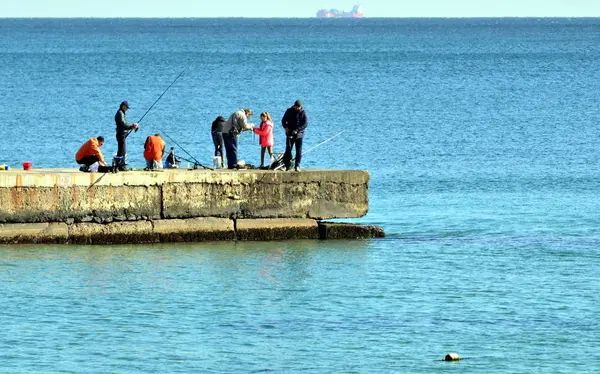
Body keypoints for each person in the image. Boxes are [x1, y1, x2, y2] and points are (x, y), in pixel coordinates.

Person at [282, 99, 308, 172]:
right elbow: (283, 120)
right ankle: (287, 165)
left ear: (301, 107)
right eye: (296, 107)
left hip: (299, 134)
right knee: (288, 150)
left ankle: (297, 165)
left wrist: (297, 130)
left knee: (298, 151)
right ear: (294, 106)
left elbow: (305, 124)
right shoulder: (289, 111)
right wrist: (286, 127)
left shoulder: (303, 113)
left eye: (298, 107)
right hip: (289, 133)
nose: (297, 108)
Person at [114, 100, 139, 171]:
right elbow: (124, 124)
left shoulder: (122, 113)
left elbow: (124, 124)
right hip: (121, 135)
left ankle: (119, 165)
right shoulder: (120, 113)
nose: (127, 109)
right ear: (123, 106)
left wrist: (132, 126)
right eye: (126, 107)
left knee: (121, 150)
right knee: (122, 151)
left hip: (121, 134)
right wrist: (132, 126)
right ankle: (121, 166)